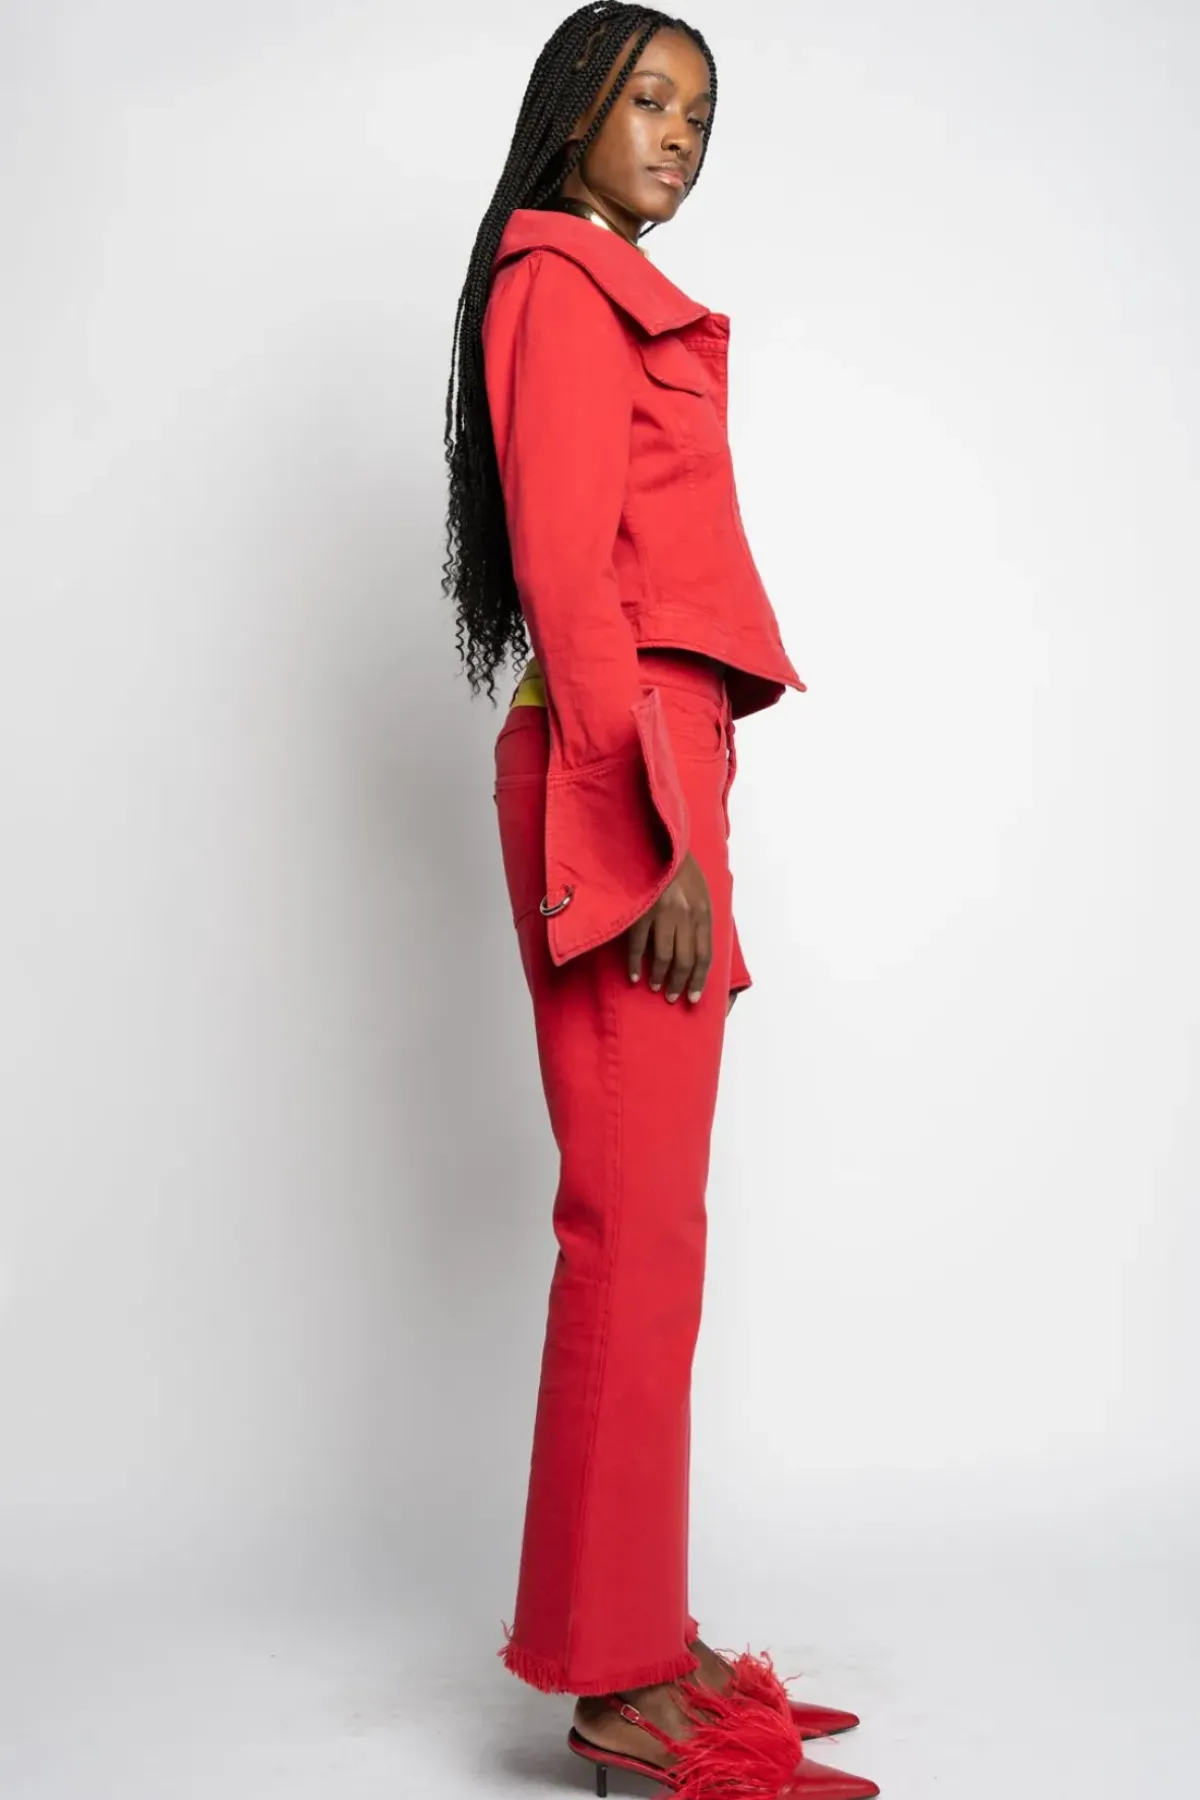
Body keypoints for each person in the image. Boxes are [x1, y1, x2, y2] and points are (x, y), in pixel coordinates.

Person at [441, 7, 879, 1797]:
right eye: (649, 97)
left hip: (659, 759)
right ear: (575, 113)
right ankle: (617, 1686)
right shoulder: (561, 281)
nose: (681, 132)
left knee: (654, 1233)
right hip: (624, 772)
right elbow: (569, 574)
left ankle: (637, 1624)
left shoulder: (605, 281)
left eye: (702, 112)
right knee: (628, 1232)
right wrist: (655, 835)